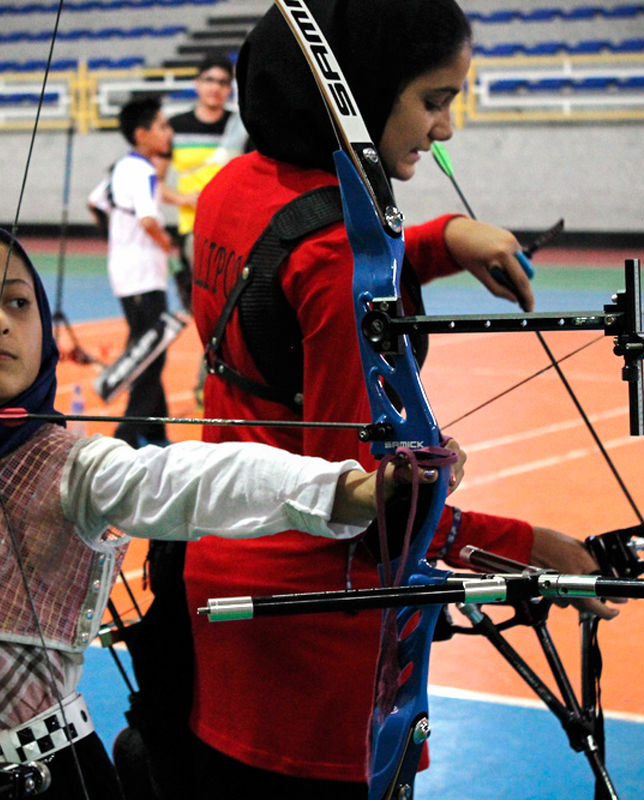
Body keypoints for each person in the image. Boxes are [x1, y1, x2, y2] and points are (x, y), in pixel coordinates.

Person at [0, 223, 459, 799]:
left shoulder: (72, 465)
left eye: (18, 304)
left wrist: (352, 491)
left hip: (47, 777)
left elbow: (199, 479)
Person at [182, 1, 621, 797]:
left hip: (223, 579)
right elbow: (365, 506)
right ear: (356, 91)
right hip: (320, 639)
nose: (446, 128)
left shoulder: (233, 186)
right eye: (433, 99)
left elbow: (285, 289)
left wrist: (442, 237)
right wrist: (532, 546)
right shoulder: (331, 255)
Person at [86, 95, 176, 448]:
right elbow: (148, 219)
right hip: (141, 273)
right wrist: (167, 243)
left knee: (147, 347)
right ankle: (126, 434)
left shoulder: (123, 166)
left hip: (128, 269)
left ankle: (155, 431)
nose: (168, 133)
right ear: (142, 134)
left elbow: (95, 201)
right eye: (162, 126)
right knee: (152, 354)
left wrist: (116, 238)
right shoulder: (141, 169)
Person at [167, 54, 248, 310]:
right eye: (209, 80)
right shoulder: (175, 126)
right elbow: (150, 179)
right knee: (208, 298)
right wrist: (181, 199)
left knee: (235, 295)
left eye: (223, 82)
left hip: (234, 224)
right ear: (197, 84)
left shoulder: (240, 126)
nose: (216, 87)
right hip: (194, 225)